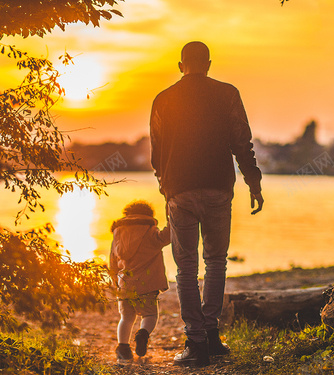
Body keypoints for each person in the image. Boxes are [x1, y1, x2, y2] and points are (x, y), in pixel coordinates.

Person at [150, 41, 264, 367]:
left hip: (179, 191)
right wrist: (253, 182)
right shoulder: (227, 93)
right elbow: (242, 141)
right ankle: (211, 336)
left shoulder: (163, 98)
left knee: (186, 268)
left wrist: (165, 186)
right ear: (209, 64)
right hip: (217, 188)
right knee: (216, 261)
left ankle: (196, 342)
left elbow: (157, 150)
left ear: (180, 65)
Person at [108, 200, 171, 364]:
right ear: (149, 216)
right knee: (149, 314)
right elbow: (168, 236)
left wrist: (115, 282)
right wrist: (172, 216)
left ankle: (123, 349)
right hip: (147, 285)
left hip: (124, 285)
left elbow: (112, 261)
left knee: (126, 318)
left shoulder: (118, 233)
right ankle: (142, 334)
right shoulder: (150, 231)